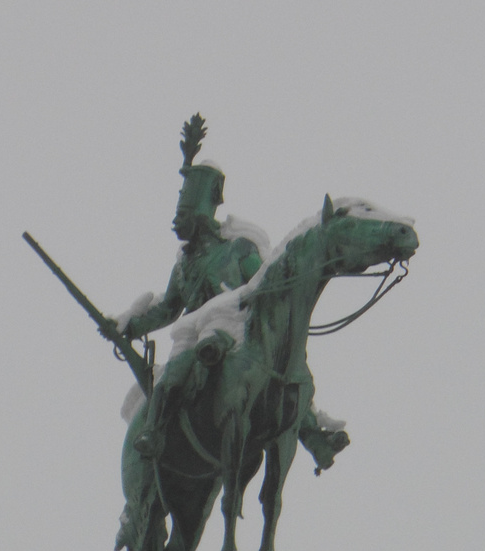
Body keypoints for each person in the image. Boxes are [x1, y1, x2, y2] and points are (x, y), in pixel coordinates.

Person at [114, 116, 348, 472]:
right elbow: (168, 308)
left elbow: (265, 283)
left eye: (184, 211)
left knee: (285, 373)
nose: (178, 219)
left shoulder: (238, 249)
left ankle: (314, 435)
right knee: (174, 372)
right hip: (196, 336)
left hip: (240, 328)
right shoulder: (183, 264)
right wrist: (127, 326)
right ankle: (155, 431)